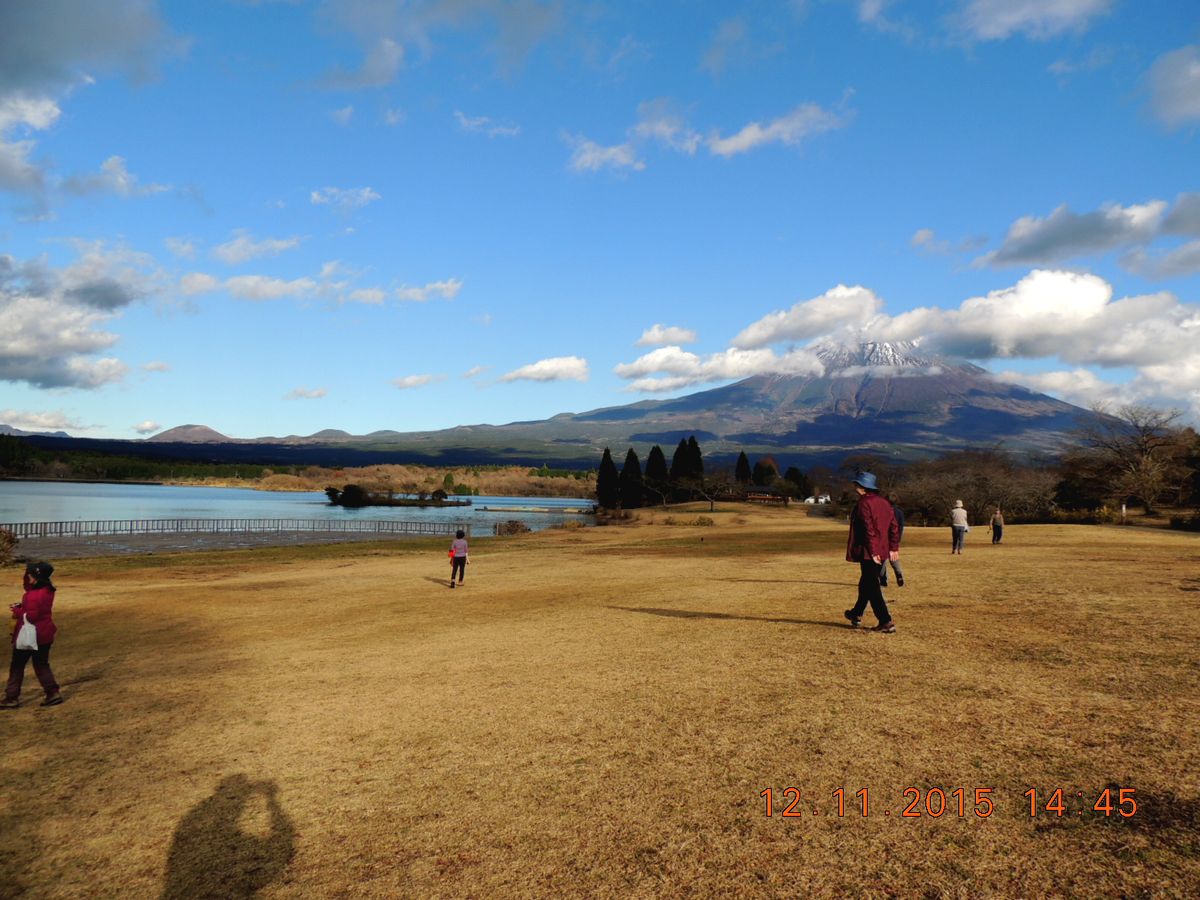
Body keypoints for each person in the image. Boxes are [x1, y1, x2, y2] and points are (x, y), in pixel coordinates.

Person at [843, 472, 900, 634]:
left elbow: (868, 529)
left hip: (870, 551)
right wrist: (893, 547)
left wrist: (873, 550)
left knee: (872, 585)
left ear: (862, 488)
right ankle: (856, 613)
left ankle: (885, 621)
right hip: (881, 550)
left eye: (857, 485)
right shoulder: (885, 503)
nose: (855, 488)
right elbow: (894, 527)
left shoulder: (863, 504)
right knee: (866, 583)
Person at [2, 561, 62, 709]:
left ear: (34, 576)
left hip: (30, 636)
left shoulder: (33, 595)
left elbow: (31, 616)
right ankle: (53, 693)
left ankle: (11, 697)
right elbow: (37, 610)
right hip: (45, 633)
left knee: (17, 666)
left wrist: (17, 611)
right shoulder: (48, 590)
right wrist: (23, 606)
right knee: (41, 664)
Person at [879, 492, 906, 589]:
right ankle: (898, 574)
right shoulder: (899, 512)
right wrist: (898, 539)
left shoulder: (883, 511)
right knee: (894, 557)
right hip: (895, 537)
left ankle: (882, 579)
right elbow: (901, 526)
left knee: (883, 559)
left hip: (884, 538)